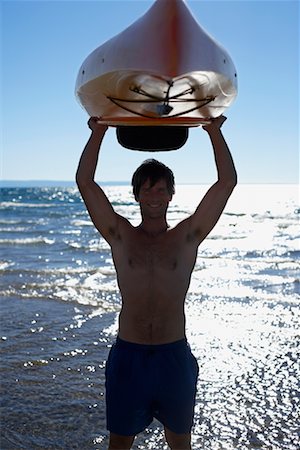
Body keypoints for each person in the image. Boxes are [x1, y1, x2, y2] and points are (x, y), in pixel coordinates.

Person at [76, 115, 237, 450]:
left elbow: (226, 183)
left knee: (180, 443)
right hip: (128, 354)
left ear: (170, 196)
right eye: (147, 188)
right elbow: (85, 183)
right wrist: (98, 133)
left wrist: (214, 132)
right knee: (119, 443)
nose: (154, 195)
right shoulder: (120, 235)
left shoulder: (187, 236)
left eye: (161, 189)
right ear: (136, 195)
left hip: (173, 355)